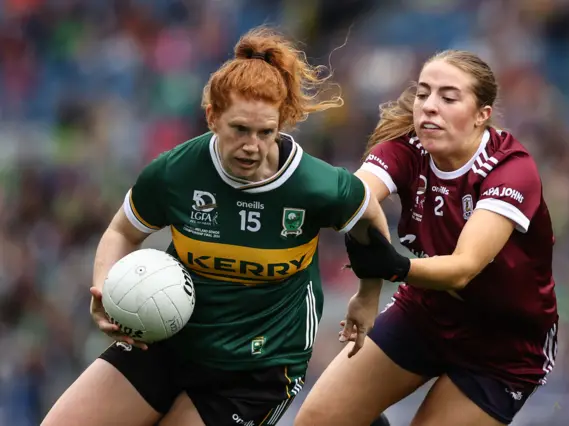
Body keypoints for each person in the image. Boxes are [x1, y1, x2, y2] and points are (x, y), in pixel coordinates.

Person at [42, 26, 391, 426]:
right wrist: (104, 286)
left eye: (266, 133)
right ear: (212, 117)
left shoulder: (316, 184)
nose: (252, 146)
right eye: (239, 129)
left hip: (256, 371)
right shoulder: (176, 172)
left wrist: (367, 295)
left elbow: (368, 219)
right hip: (167, 341)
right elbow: (122, 231)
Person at [295, 50, 559, 426]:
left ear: (482, 115)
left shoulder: (512, 170)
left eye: (448, 98)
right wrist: (368, 292)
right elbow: (356, 203)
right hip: (425, 315)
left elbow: (463, 269)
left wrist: (394, 268)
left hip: (503, 348)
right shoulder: (405, 149)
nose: (429, 107)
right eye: (423, 94)